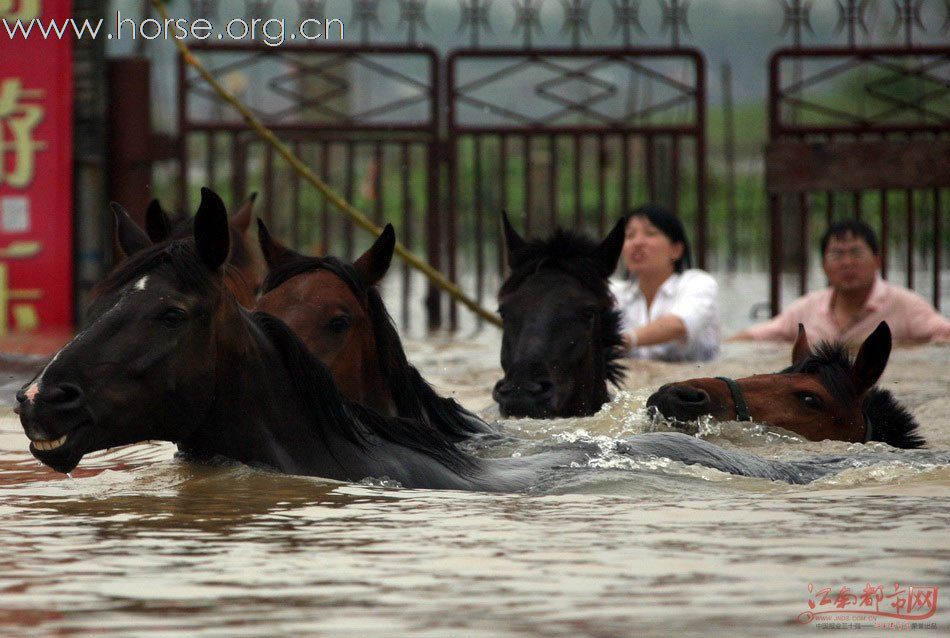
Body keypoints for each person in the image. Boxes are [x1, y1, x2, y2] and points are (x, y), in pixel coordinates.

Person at [734, 219, 950, 345]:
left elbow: (944, 334)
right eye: (837, 255)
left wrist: (906, 350)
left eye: (856, 253)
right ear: (824, 266)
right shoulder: (809, 307)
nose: (847, 263)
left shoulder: (904, 305)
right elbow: (753, 338)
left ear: (877, 261)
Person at [610, 204, 720, 362]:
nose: (637, 242)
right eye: (629, 236)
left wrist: (627, 340)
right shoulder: (615, 293)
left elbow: (679, 325)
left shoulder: (698, 283)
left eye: (650, 233)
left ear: (676, 250)